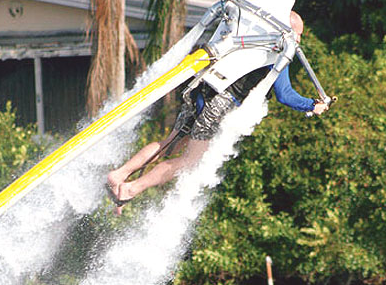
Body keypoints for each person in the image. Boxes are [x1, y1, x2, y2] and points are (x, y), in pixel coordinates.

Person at [106, 11, 328, 214]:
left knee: (170, 144)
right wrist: (312, 105)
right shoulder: (279, 48)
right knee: (190, 161)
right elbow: (285, 95)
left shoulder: (251, 32)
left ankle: (119, 174)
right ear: (288, 31)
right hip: (218, 106)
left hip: (202, 91)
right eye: (298, 34)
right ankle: (131, 189)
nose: (298, 40)